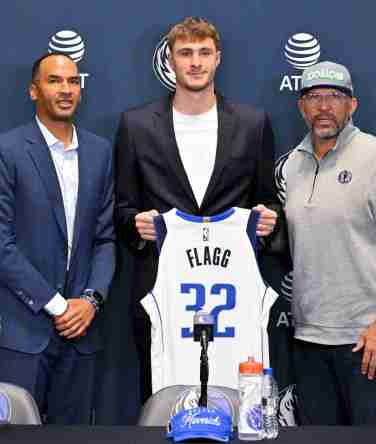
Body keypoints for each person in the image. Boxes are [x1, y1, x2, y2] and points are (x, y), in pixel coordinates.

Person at [114, 16, 280, 403]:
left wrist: (269, 217)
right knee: (164, 402)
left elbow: (268, 199)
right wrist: (135, 226)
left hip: (234, 296)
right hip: (164, 292)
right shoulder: (135, 125)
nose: (195, 62)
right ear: (169, 60)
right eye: (185, 53)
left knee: (239, 401)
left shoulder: (254, 124)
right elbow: (120, 208)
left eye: (204, 53)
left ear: (218, 58)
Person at [275, 61, 376, 425]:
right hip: (309, 339)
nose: (324, 106)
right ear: (301, 106)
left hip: (367, 340)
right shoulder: (292, 166)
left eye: (335, 96)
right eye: (314, 97)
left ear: (352, 105)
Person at [0, 53, 115, 424]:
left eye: (73, 81)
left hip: (82, 333)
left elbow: (105, 240)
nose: (66, 89)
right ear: (34, 90)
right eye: (54, 81)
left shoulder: (100, 152)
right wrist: (57, 305)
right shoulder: (4, 151)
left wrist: (90, 302)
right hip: (24, 334)